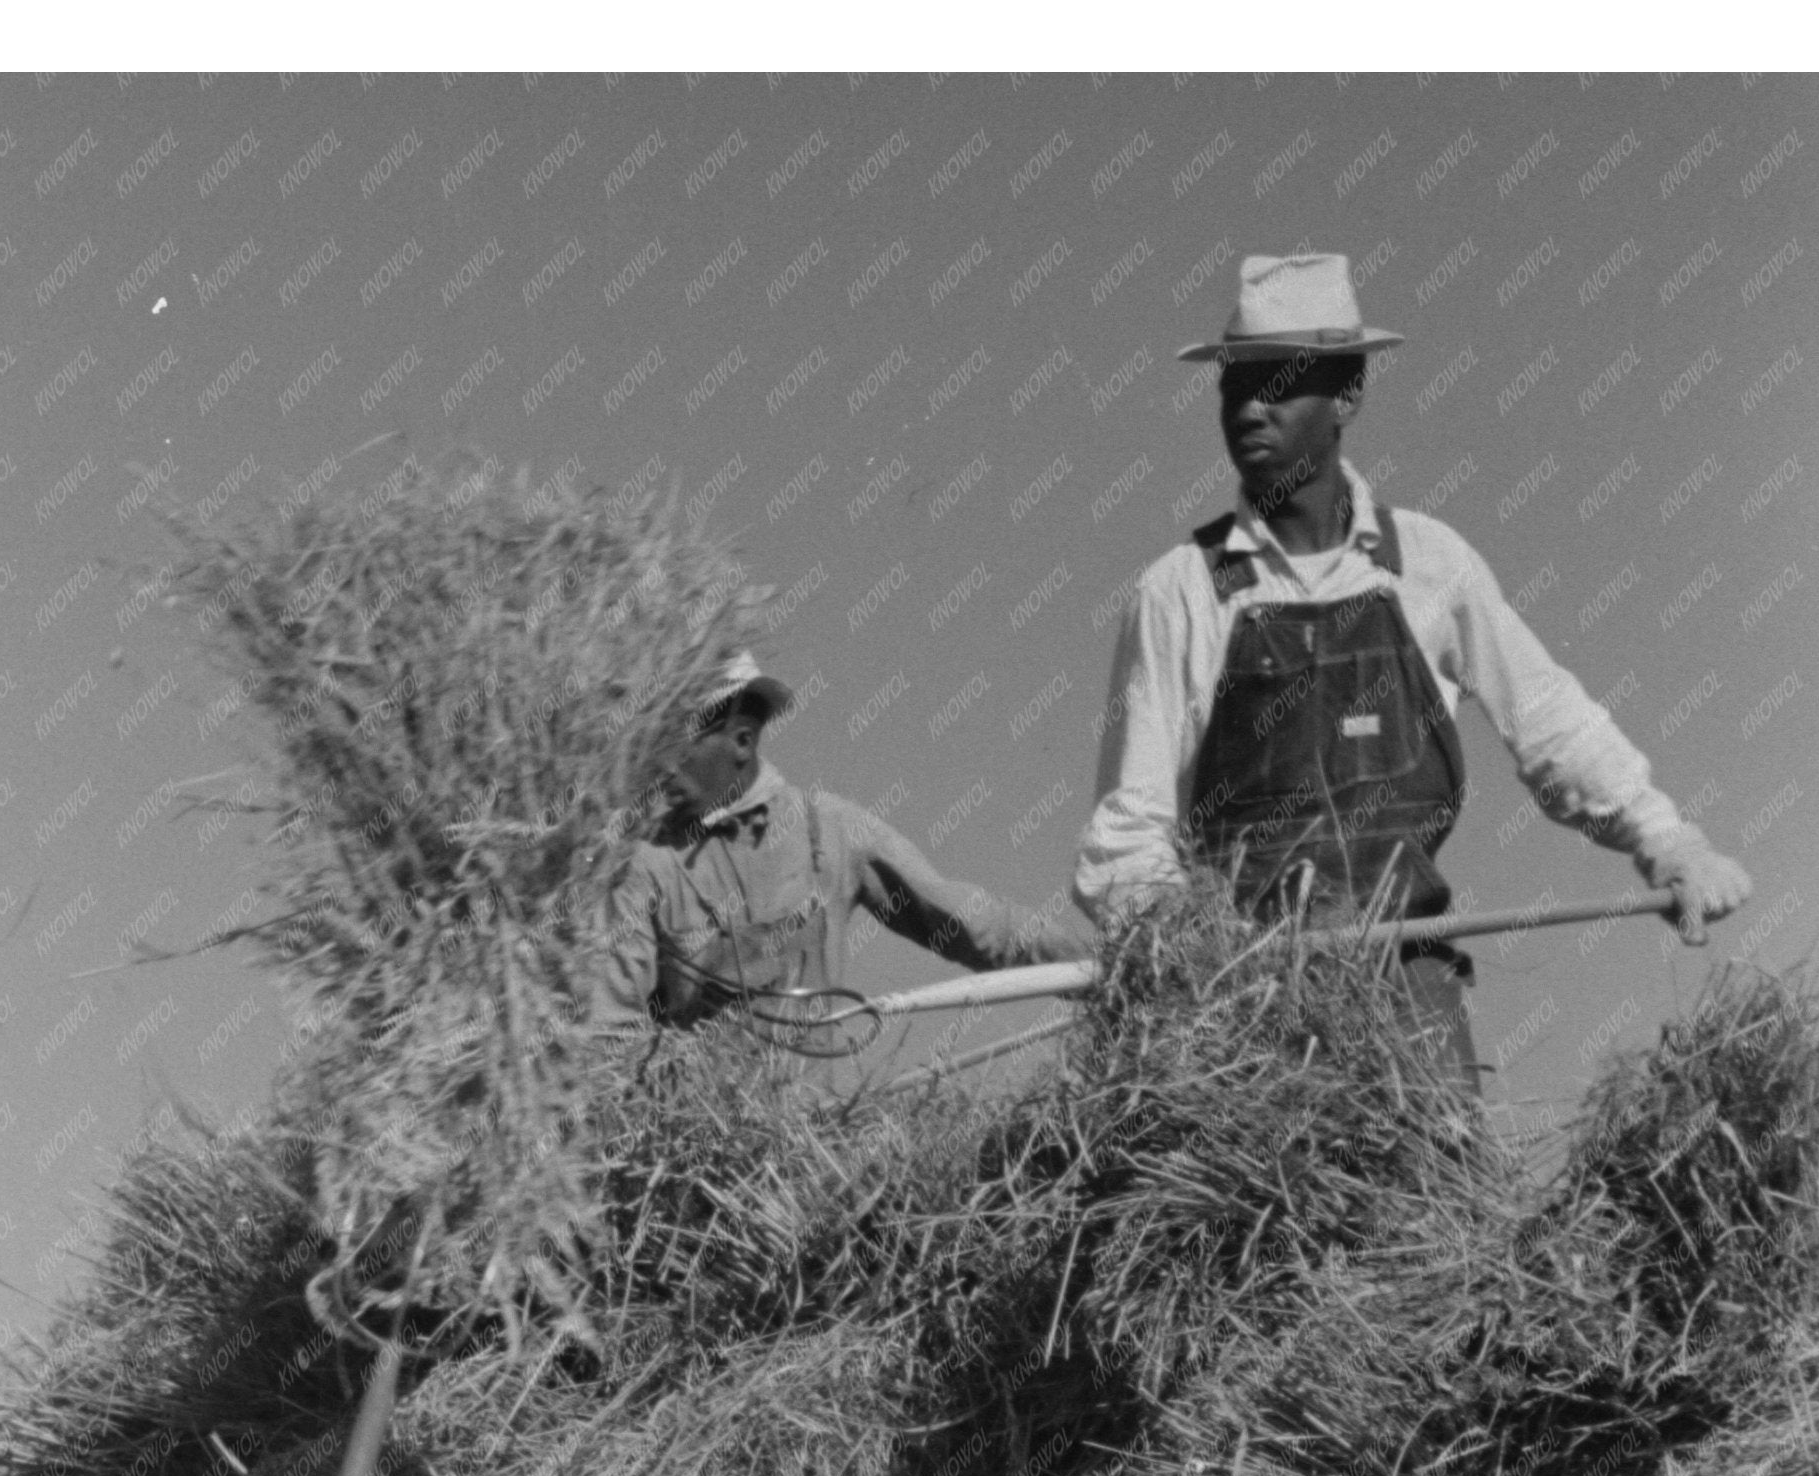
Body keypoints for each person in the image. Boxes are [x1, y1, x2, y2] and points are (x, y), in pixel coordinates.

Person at [1076, 251, 1753, 1090]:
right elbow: (1132, 825)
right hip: (1240, 1005)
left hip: (1409, 992)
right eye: (1234, 386)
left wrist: (1667, 842)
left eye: (1280, 383)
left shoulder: (1429, 564)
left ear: (1348, 394)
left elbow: (1552, 725)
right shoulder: (1180, 588)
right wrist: (1180, 966)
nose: (1250, 407)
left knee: (1440, 1204)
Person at [604, 650, 1067, 1032]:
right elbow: (610, 1023)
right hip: (690, 1136)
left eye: (674, 748)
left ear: (741, 742)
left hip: (812, 1131)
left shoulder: (829, 830)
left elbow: (971, 923)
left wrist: (1102, 961)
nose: (659, 767)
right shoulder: (645, 864)